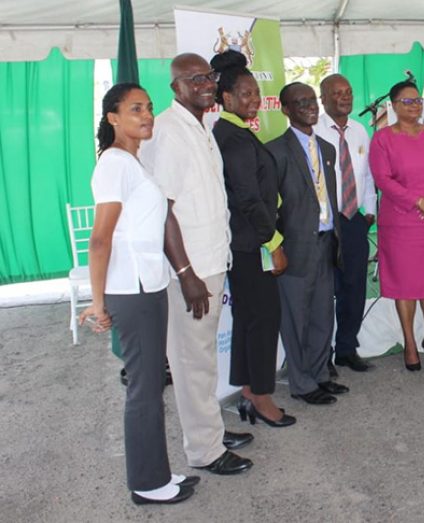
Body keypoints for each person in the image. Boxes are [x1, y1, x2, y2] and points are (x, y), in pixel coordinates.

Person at [80, 83, 196, 505]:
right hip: (131, 288)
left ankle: (157, 472)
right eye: (134, 109)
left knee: (149, 384)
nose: (146, 115)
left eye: (148, 108)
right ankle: (148, 484)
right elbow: (99, 240)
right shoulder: (114, 164)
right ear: (112, 117)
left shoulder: (132, 161)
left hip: (148, 282)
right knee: (144, 389)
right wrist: (98, 301)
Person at [139, 53, 253, 476]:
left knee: (202, 357)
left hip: (210, 259)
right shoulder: (169, 133)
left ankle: (211, 432)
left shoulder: (201, 125)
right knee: (190, 361)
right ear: (176, 87)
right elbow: (163, 210)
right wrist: (185, 274)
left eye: (209, 76)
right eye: (195, 78)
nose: (206, 83)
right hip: (191, 269)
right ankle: (204, 450)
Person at [210, 51, 295, 428]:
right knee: (263, 319)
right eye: (245, 94)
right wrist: (274, 242)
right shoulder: (233, 138)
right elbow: (247, 198)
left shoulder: (234, 131)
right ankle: (261, 395)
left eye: (256, 93)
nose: (254, 100)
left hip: (244, 244)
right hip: (252, 243)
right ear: (226, 98)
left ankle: (247, 390)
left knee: (248, 317)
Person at [264, 82, 349, 405]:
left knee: (322, 314)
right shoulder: (275, 151)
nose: (310, 107)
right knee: (296, 317)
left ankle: (319, 374)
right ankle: (301, 383)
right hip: (295, 247)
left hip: (327, 242)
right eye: (300, 103)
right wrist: (276, 247)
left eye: (311, 100)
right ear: (286, 109)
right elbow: (268, 206)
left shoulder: (326, 148)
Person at [368, 80, 424, 370]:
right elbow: (383, 179)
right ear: (394, 106)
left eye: (418, 100)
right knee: (405, 286)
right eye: (407, 101)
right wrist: (417, 201)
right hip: (401, 223)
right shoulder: (383, 139)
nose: (415, 105)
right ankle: (409, 342)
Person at [314, 73, 377, 373]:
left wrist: (369, 213)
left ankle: (347, 349)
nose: (346, 97)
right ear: (323, 97)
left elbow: (366, 176)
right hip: (324, 222)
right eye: (337, 92)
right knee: (325, 290)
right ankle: (321, 355)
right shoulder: (311, 130)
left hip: (354, 219)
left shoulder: (360, 131)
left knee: (354, 286)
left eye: (349, 91)